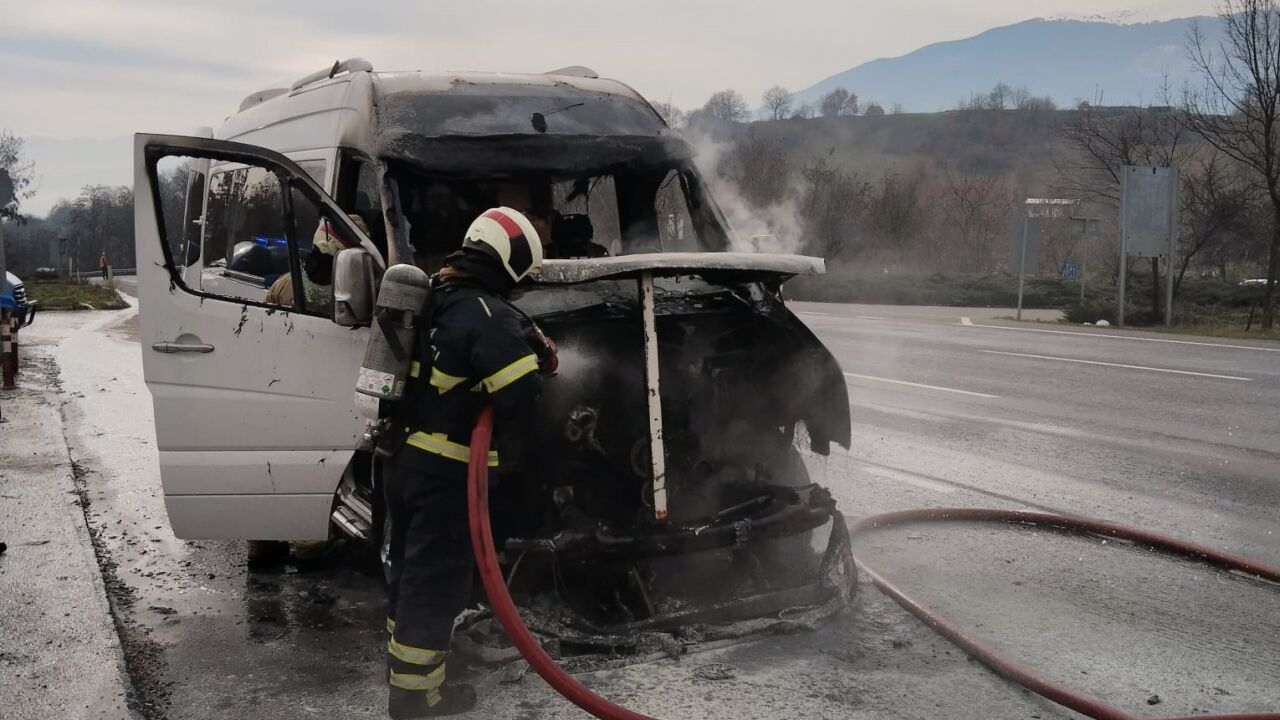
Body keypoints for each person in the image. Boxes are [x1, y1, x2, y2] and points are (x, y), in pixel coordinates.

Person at [381, 207, 553, 718]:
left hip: (400, 463)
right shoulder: (487, 314)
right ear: (509, 263)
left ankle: (401, 673)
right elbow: (521, 394)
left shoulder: (431, 295)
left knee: (410, 575)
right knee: (434, 585)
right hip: (446, 474)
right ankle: (415, 699)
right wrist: (539, 358)